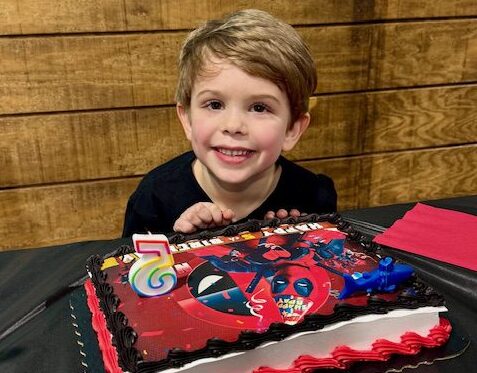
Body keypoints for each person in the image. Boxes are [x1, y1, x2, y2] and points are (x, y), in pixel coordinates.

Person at [122, 9, 337, 237]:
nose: (233, 125)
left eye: (259, 108)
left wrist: (303, 246)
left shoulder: (314, 197)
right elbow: (128, 269)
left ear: (292, 129)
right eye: (214, 104)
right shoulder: (154, 199)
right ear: (187, 119)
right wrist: (181, 244)